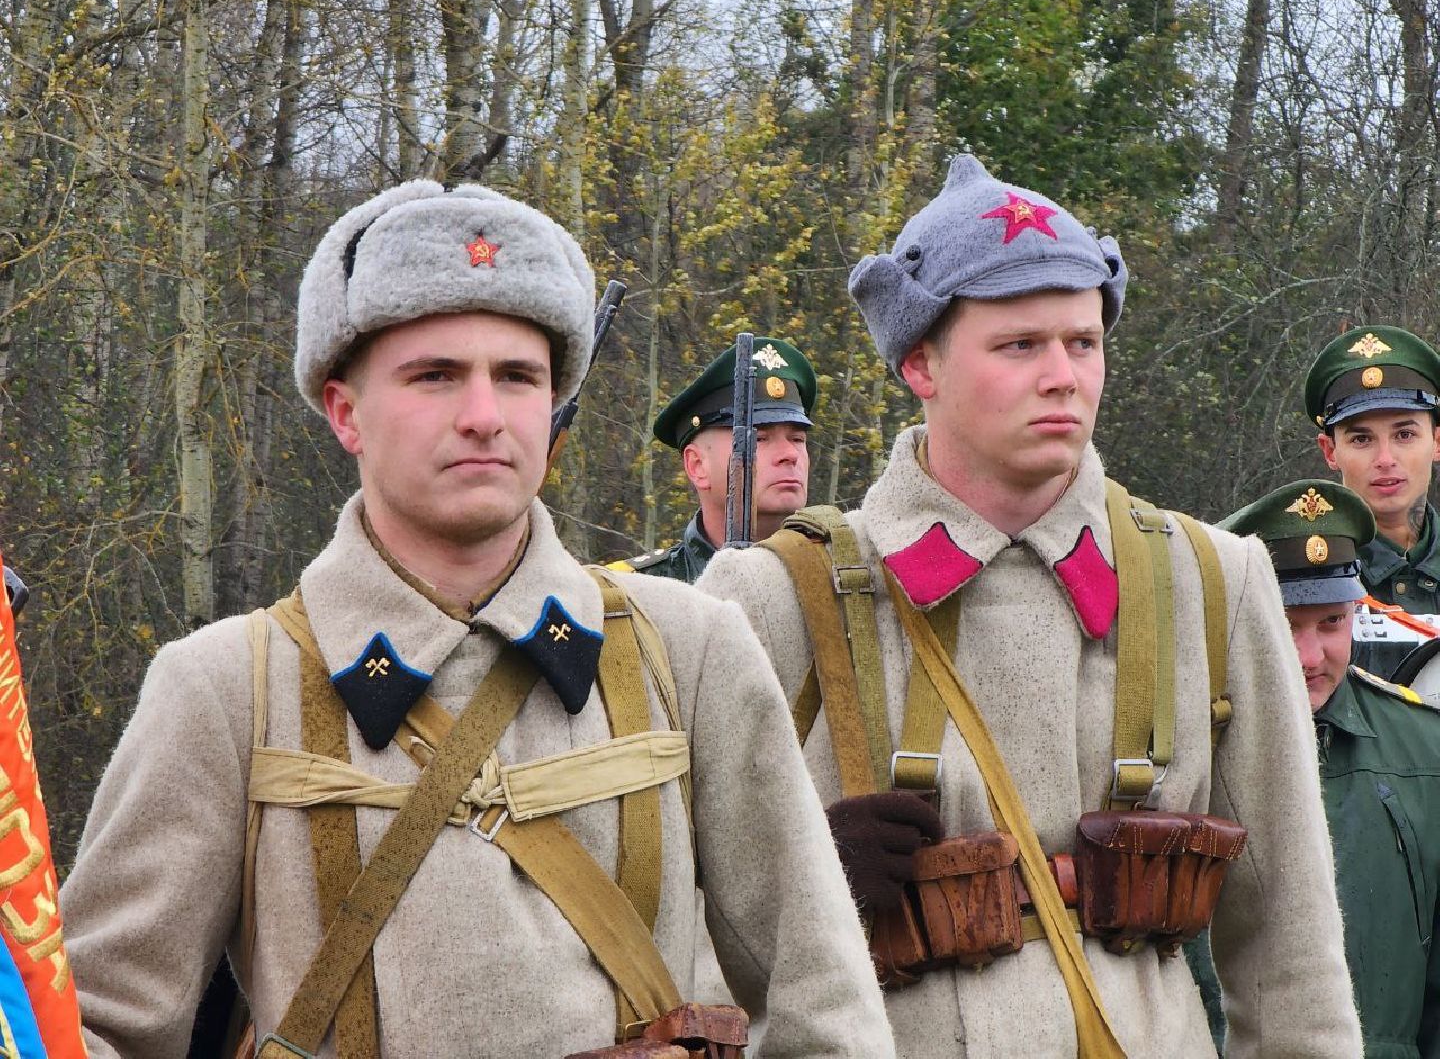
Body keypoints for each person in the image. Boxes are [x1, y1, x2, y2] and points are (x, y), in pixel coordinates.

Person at [58, 182, 891, 1058]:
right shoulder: (226, 687)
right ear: (346, 412)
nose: (485, 416)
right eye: (435, 376)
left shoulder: (692, 649)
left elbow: (826, 1011)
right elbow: (90, 1026)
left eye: (519, 377)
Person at [698, 154, 1361, 1055]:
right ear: (919, 362)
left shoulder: (1215, 581)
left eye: (1083, 342)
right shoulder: (774, 596)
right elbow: (681, 951)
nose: (1064, 376)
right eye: (1020, 346)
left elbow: (1291, 957)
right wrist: (799, 882)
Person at [1221, 478, 1440, 1056]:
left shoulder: (1425, 749)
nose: (1310, 658)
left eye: (1331, 623)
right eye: (1286, 625)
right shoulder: (1182, 750)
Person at [613, 338, 815, 581]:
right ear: (697, 465)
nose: (790, 455)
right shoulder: (639, 591)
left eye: (797, 439)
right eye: (759, 439)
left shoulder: (846, 583)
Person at [1304, 325, 1440, 677]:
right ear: (1330, 451)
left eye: (1405, 434)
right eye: (1362, 439)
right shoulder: (1300, 574)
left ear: (1437, 442)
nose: (1385, 458)